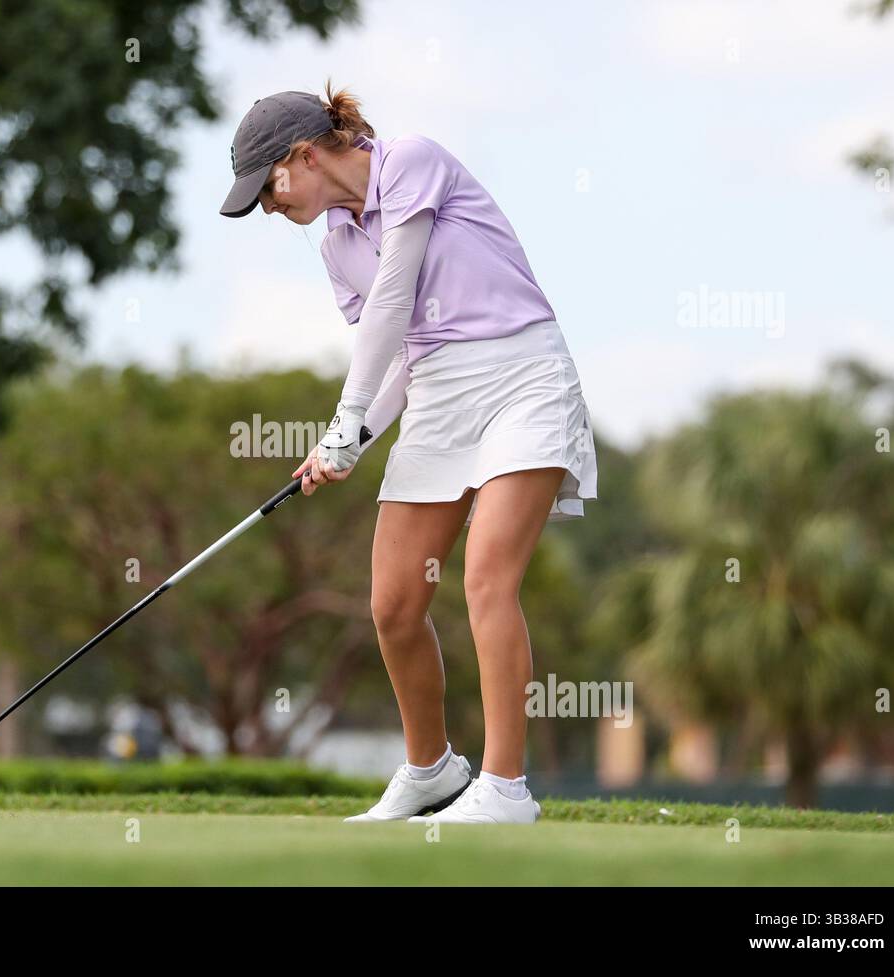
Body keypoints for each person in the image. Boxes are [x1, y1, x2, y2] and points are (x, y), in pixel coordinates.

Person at [219, 83, 598, 824]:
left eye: (268, 187)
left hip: (521, 375)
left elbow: (394, 301)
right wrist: (350, 441)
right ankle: (432, 770)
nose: (268, 205)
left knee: (487, 577)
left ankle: (506, 789)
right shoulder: (336, 246)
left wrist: (345, 416)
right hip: (436, 396)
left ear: (302, 155)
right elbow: (397, 359)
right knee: (392, 602)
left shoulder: (412, 162)